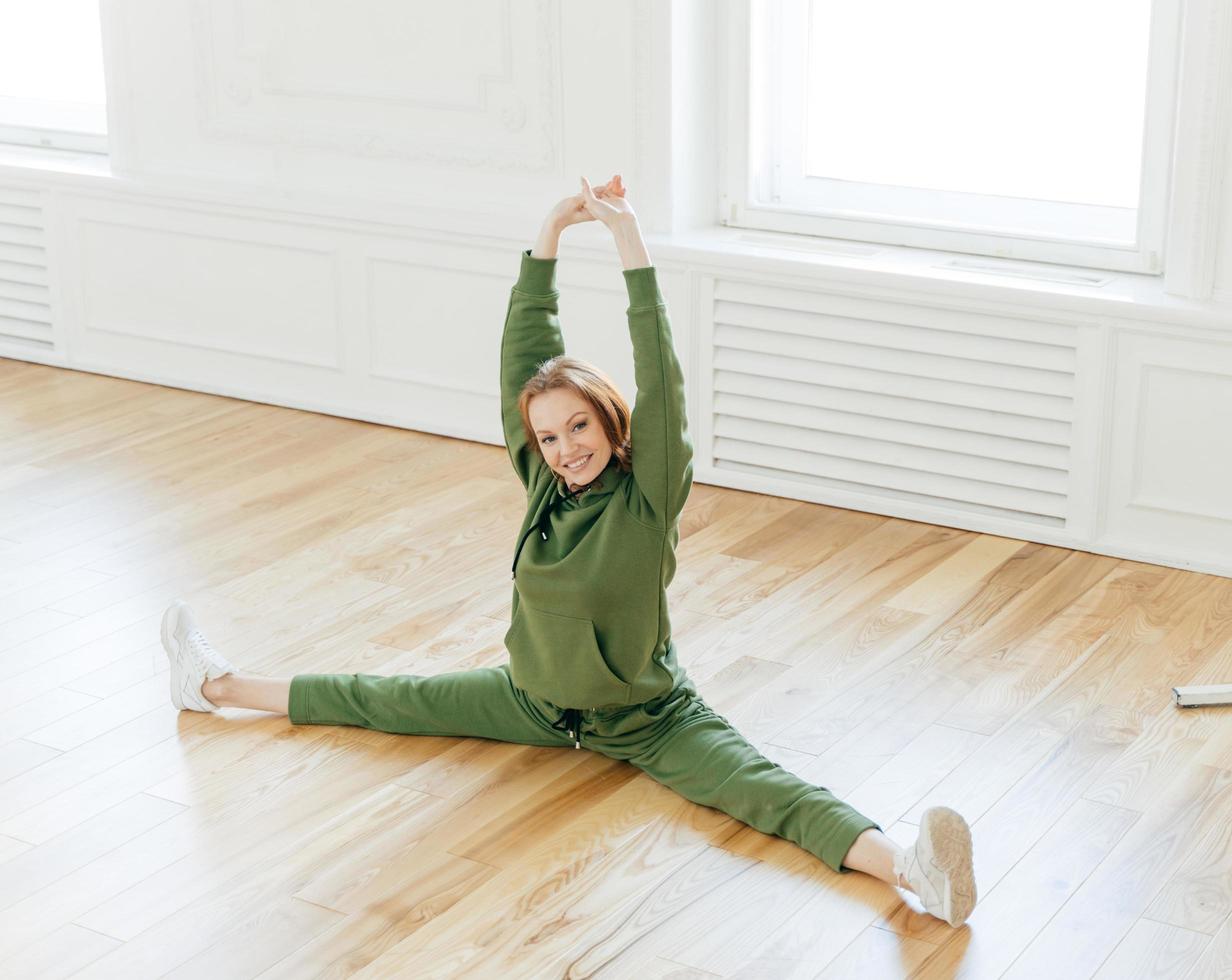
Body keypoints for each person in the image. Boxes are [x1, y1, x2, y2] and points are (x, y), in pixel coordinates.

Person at [160, 174, 978, 928]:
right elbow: (523, 354)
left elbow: (662, 375)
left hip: (649, 720)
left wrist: (629, 245)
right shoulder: (545, 484)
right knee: (384, 697)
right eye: (547, 435)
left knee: (766, 791)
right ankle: (211, 683)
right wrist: (550, 230)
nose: (562, 447)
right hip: (531, 699)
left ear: (610, 422)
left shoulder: (647, 495)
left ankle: (912, 869)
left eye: (578, 426)